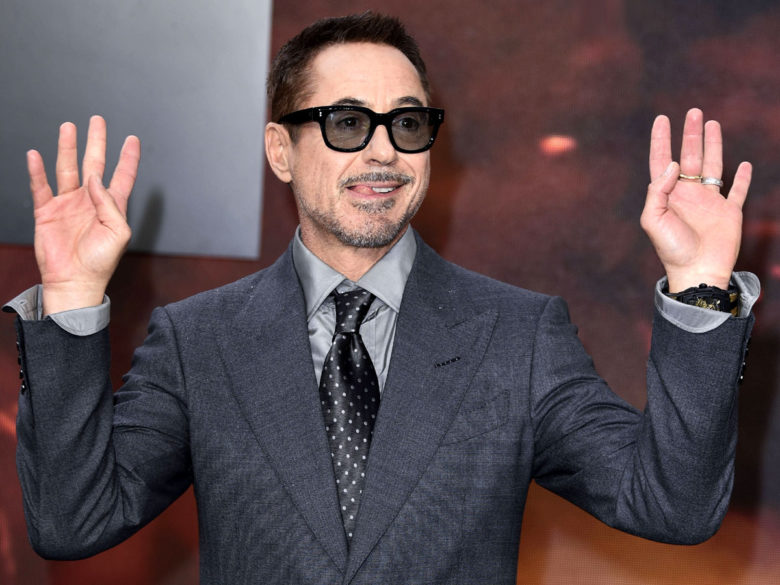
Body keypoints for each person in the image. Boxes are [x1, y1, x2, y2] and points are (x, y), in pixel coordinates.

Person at [5, 12, 759, 585]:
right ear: (280, 150)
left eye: (406, 122)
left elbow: (673, 506)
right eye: (345, 122)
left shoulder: (518, 334)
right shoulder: (197, 338)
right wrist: (70, 296)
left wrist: (699, 287)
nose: (382, 151)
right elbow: (73, 522)